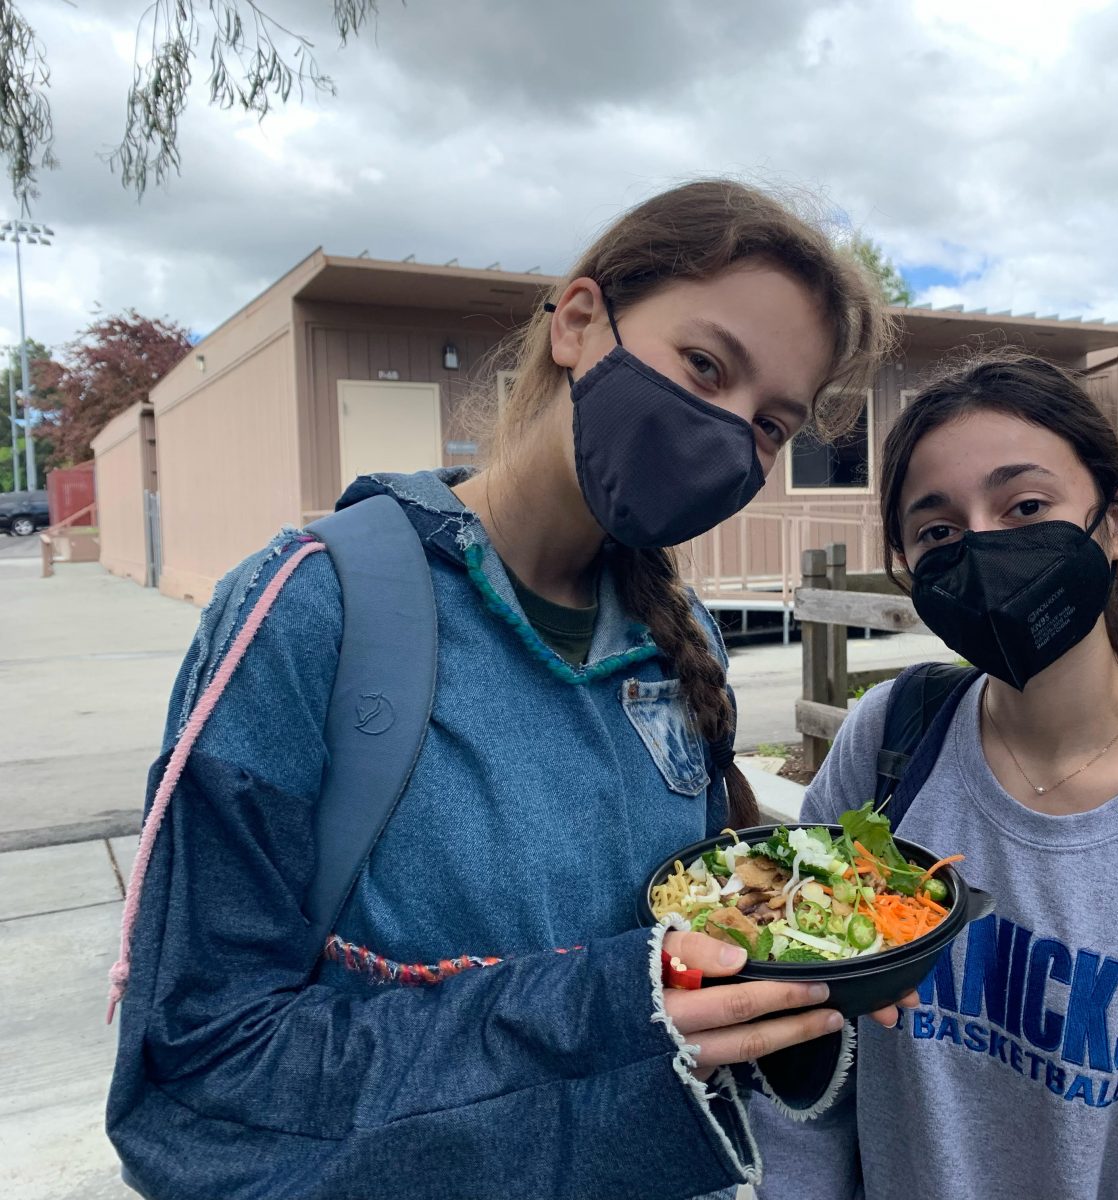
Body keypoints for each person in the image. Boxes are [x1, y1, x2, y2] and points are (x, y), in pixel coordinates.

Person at [104, 179, 898, 1200]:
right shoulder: (311, 610)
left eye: (770, 424)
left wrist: (806, 990)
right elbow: (198, 1066)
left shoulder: (681, 643)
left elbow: (687, 992)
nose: (725, 431)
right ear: (577, 323)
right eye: (704, 365)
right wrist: (616, 1000)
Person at [750, 350, 1118, 1199]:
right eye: (939, 531)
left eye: (1025, 505)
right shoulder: (891, 741)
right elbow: (804, 1041)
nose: (983, 547)